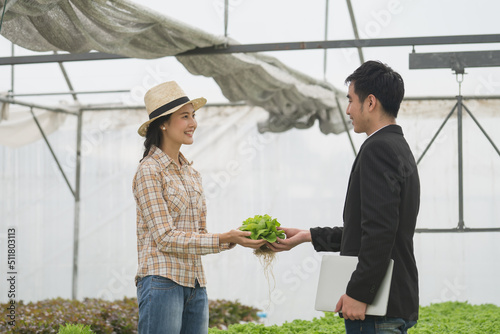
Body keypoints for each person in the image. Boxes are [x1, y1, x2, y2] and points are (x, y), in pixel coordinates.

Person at [268, 60, 420, 334]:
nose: (348, 110)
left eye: (351, 100)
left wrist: (360, 293)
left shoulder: (378, 149)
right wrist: (307, 236)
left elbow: (379, 231)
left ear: (370, 102)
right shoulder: (398, 146)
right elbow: (375, 228)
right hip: (396, 302)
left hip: (376, 311)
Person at [133, 81, 266, 334]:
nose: (193, 123)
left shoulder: (192, 174)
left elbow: (198, 233)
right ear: (163, 123)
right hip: (162, 281)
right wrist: (222, 238)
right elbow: (165, 238)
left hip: (195, 283)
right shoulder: (149, 171)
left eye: (193, 116)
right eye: (185, 117)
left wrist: (234, 238)